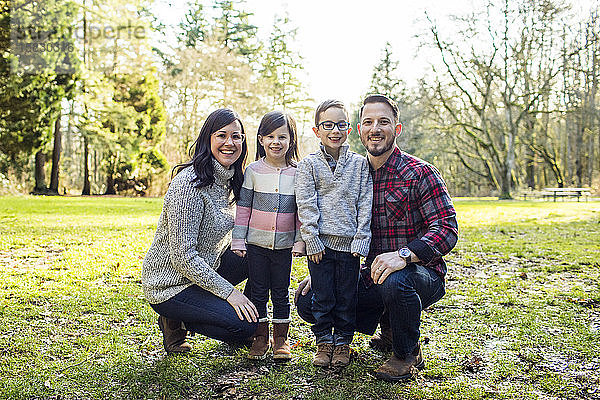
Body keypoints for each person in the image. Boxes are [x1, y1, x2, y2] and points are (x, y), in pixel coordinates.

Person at [295, 94, 458, 381]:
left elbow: (446, 228)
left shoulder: (419, 172)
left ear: (397, 128)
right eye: (368, 122)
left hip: (418, 275)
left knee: (396, 280)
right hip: (370, 273)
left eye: (383, 122)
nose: (375, 129)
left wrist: (405, 256)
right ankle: (389, 325)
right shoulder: (354, 173)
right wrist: (330, 265)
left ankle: (406, 353)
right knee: (309, 300)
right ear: (358, 130)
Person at [142, 108, 259, 354]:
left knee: (259, 253)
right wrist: (230, 294)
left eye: (236, 136)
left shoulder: (231, 180)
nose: (230, 143)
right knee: (244, 328)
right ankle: (175, 320)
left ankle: (250, 311)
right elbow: (183, 257)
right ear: (208, 139)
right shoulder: (189, 185)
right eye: (221, 135)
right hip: (171, 284)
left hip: (207, 268)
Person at [295, 99, 373, 368]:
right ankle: (323, 340)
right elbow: (305, 203)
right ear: (317, 130)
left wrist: (362, 239)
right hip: (321, 247)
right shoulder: (309, 165)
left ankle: (342, 342)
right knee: (323, 295)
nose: (335, 131)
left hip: (350, 246)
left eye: (341, 125)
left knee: (346, 296)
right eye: (328, 125)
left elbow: (365, 202)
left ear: (349, 129)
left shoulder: (360, 164)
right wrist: (312, 239)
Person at [231, 111, 305, 361]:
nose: (276, 142)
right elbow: (243, 210)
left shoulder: (298, 173)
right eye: (270, 136)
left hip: (284, 247)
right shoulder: (253, 171)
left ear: (291, 140)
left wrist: (300, 240)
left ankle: (281, 340)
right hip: (256, 244)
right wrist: (239, 239)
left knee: (281, 292)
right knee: (259, 292)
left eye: (282, 136)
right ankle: (260, 337)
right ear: (261, 139)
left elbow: (299, 212)